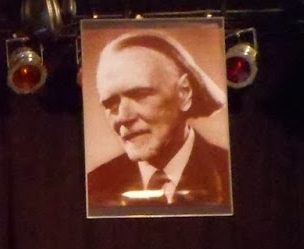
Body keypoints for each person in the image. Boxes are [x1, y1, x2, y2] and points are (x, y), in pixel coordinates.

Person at [85, 30, 232, 212]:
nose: (123, 117)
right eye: (110, 104)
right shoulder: (93, 186)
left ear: (184, 93)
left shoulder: (231, 174)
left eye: (140, 95)